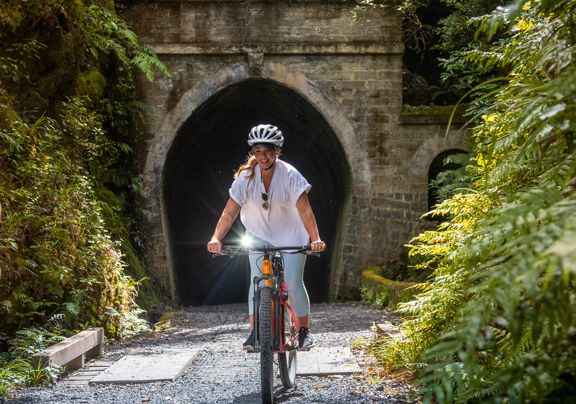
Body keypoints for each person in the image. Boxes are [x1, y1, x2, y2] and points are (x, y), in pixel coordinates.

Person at [207, 124, 326, 351]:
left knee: (292, 281)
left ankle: (303, 331)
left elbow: (305, 211)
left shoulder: (290, 175)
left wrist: (315, 238)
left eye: (267, 151)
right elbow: (229, 212)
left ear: (277, 151)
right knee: (258, 280)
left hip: (291, 233)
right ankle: (255, 333)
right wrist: (215, 238)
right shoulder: (245, 178)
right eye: (257, 151)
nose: (262, 156)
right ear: (253, 152)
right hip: (259, 233)